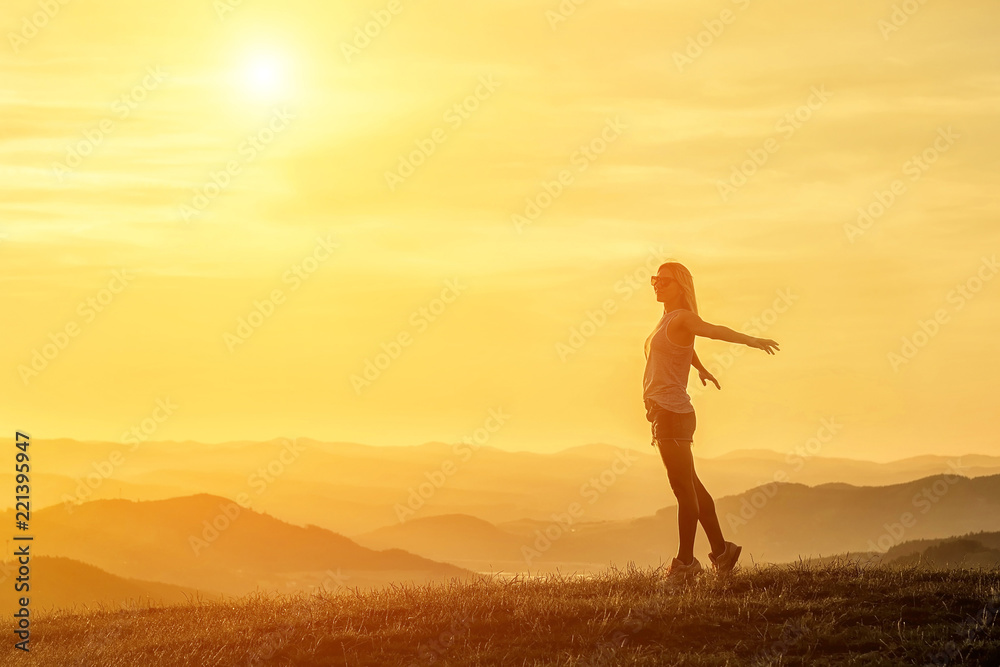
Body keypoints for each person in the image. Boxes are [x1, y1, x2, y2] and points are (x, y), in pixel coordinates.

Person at [643, 261, 779, 582]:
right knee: (692, 487)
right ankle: (722, 552)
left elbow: (714, 331)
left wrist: (751, 340)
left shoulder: (684, 318)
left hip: (672, 414)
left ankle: (685, 564)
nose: (657, 285)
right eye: (654, 280)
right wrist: (699, 367)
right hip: (666, 413)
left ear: (681, 286)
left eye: (664, 281)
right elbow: (681, 350)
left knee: (683, 490)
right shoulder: (667, 321)